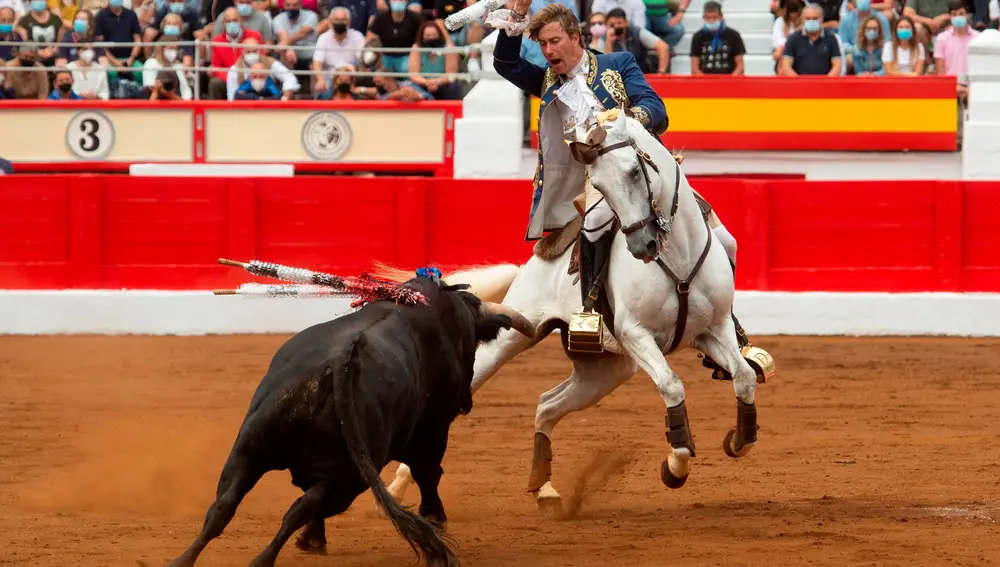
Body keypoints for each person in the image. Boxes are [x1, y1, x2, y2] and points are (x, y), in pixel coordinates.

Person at [491, 1, 772, 375]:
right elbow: (505, 64)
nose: (548, 51)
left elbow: (655, 107)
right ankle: (589, 313)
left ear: (576, 38)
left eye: (554, 41)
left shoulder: (617, 63)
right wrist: (513, 20)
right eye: (542, 45)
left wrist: (622, 125)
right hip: (594, 181)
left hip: (644, 171)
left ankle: (730, 329)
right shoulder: (546, 81)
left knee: (727, 242)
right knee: (593, 224)